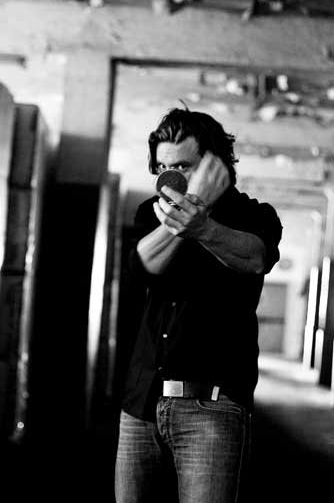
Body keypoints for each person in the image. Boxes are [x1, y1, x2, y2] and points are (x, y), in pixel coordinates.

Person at [115, 107, 282, 503]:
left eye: (182, 167)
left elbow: (255, 258)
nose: (169, 179)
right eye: (162, 168)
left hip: (211, 407)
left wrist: (204, 228)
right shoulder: (151, 212)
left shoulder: (254, 215)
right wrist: (180, 223)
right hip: (141, 404)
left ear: (214, 166)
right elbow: (142, 265)